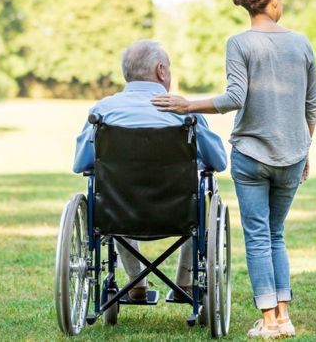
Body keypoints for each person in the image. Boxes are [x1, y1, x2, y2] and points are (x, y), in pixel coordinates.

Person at [152, 0, 316, 338]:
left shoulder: (239, 44)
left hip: (251, 155)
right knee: (276, 234)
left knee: (259, 236)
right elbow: (311, 106)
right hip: (292, 154)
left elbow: (234, 98)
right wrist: (305, 150)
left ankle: (269, 321)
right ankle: (284, 316)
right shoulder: (302, 44)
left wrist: (187, 104)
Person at [73, 39, 227, 302]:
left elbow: (81, 165)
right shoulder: (184, 112)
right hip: (178, 212)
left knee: (115, 193)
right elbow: (219, 162)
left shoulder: (103, 112)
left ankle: (136, 284)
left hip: (119, 213)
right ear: (161, 71)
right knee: (199, 196)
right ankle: (186, 284)